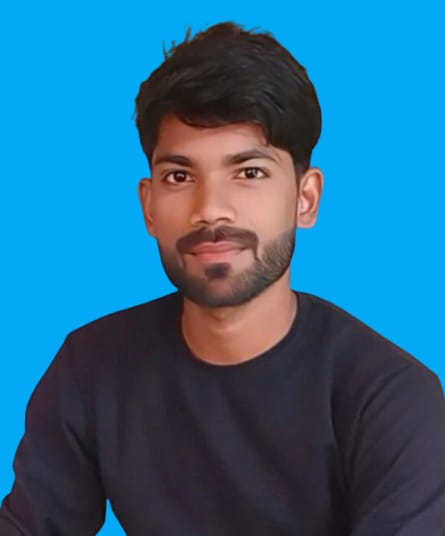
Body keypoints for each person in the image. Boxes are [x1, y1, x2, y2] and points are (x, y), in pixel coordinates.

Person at [1, 21, 444, 536]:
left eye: (249, 172)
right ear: (148, 206)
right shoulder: (92, 368)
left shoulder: (388, 398)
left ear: (306, 199)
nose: (210, 209)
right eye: (179, 176)